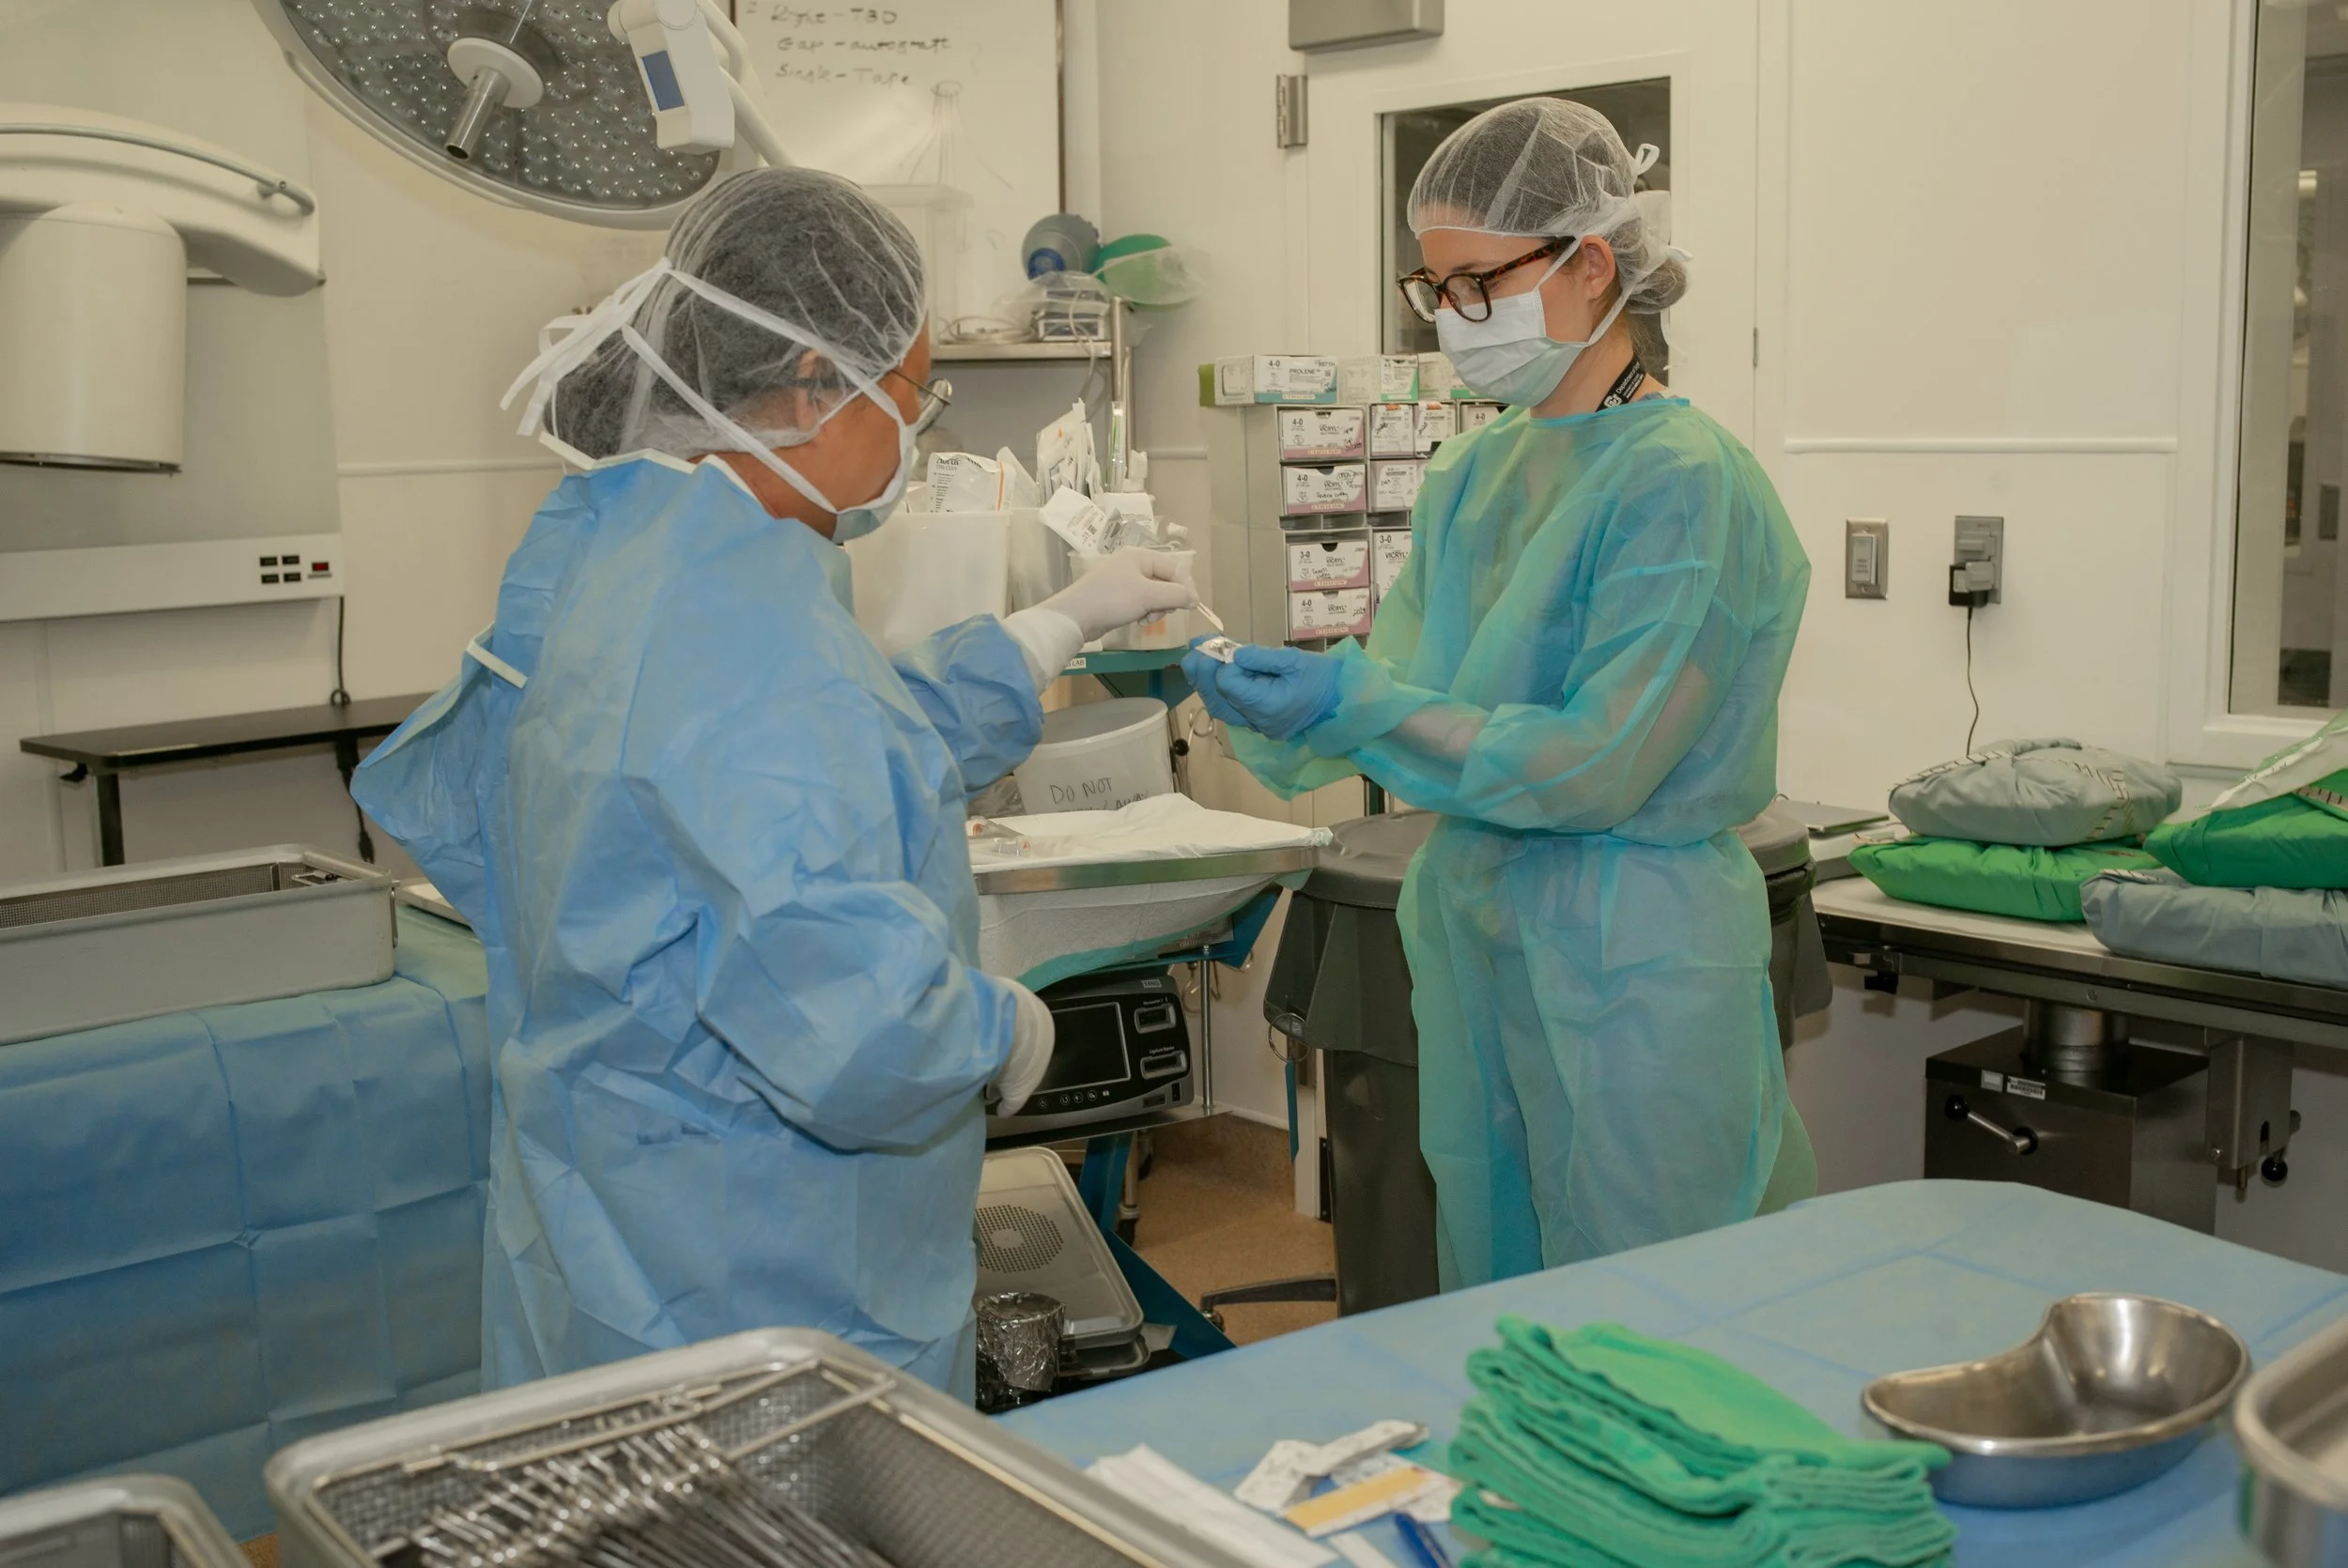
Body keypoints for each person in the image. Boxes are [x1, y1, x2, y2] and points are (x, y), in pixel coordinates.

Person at [352, 167, 1192, 1395]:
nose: (920, 430)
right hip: (756, 1278)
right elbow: (860, 1031)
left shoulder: (634, 543)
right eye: (916, 394)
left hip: (610, 1221)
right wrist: (1000, 1028)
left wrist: (1048, 629)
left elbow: (836, 750)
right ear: (811, 380)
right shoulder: (749, 637)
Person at [1185, 98, 1816, 1291]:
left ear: (1589, 265)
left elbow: (1595, 763)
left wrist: (1355, 702)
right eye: (1435, 289)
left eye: (1478, 284)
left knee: (1661, 1303)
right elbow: (1422, 696)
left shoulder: (1686, 482)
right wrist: (1284, 704)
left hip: (1637, 948)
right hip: (1480, 925)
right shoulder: (1475, 470)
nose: (1454, 320)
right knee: (1504, 1278)